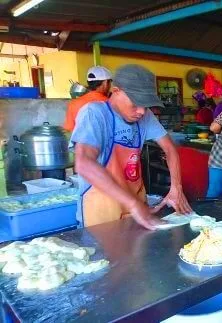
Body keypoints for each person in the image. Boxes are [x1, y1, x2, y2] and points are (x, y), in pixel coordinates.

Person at [71, 64, 192, 230]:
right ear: (116, 90)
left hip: (137, 208)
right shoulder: (95, 114)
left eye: (146, 105)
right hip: (101, 212)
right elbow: (84, 163)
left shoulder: (145, 117)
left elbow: (170, 149)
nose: (142, 111)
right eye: (135, 103)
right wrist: (133, 204)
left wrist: (176, 188)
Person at [63, 66, 113, 132]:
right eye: (110, 82)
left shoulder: (74, 103)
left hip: (79, 141)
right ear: (105, 83)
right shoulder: (110, 103)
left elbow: (69, 130)